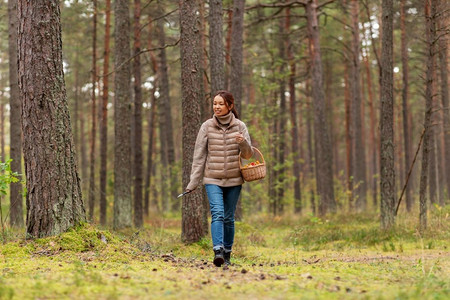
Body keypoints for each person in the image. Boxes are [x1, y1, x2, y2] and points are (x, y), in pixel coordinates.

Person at [185, 90, 253, 267]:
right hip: (212, 179)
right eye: (214, 103)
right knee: (217, 213)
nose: (216, 106)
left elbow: (248, 155)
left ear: (230, 106)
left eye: (220, 104)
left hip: (234, 180)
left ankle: (228, 254)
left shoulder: (240, 126)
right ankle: (218, 251)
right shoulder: (206, 126)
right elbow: (199, 156)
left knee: (229, 218)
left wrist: (242, 142)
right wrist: (193, 182)